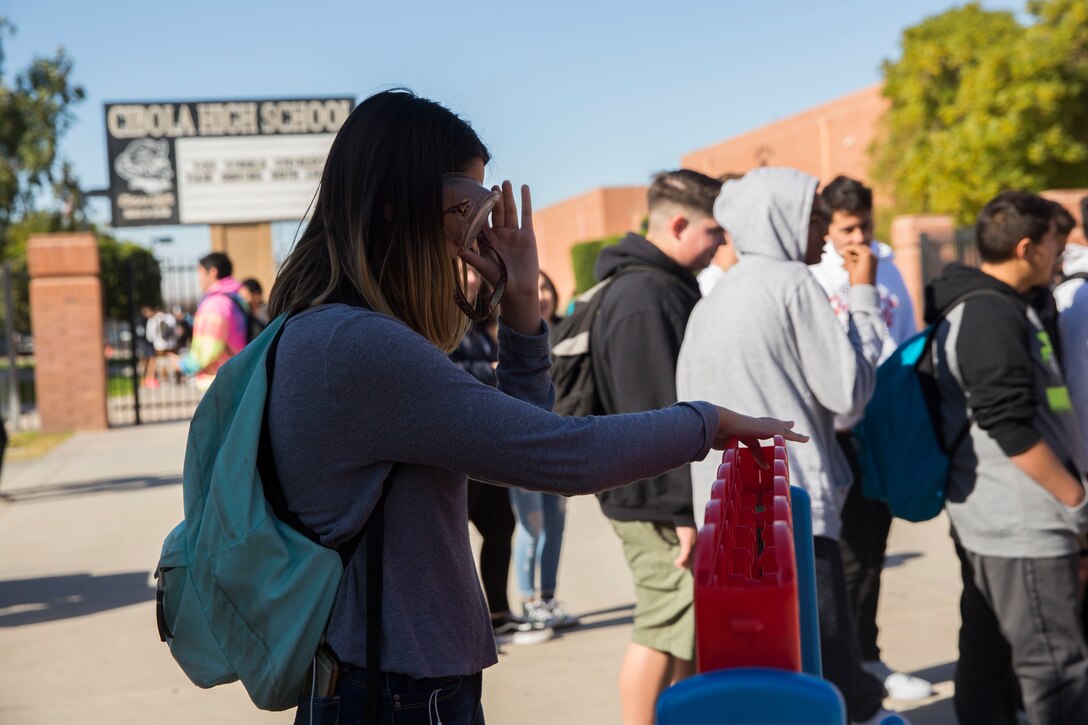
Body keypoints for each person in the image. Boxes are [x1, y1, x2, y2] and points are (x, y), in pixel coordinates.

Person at [264, 90, 804, 725]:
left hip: (384, 671)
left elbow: (523, 440)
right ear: (394, 203)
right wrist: (706, 422)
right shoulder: (359, 345)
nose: (478, 230)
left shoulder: (325, 330)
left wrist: (520, 305)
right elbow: (560, 458)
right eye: (465, 206)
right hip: (395, 683)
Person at [678, 167, 894, 725]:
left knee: (776, 668)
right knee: (829, 665)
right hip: (791, 511)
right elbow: (847, 394)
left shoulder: (716, 301)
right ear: (781, 219)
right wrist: (864, 300)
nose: (823, 231)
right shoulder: (792, 284)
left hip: (729, 519)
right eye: (814, 216)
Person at [927, 191, 1088, 725]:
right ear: (1026, 248)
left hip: (1006, 518)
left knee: (991, 652)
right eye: (1053, 244)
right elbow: (1009, 426)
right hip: (1022, 523)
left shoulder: (999, 305)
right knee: (1056, 672)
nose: (1060, 255)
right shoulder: (990, 314)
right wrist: (1077, 500)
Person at [589, 169, 725, 725]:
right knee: (665, 622)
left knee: (683, 624)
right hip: (652, 498)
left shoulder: (653, 283)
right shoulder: (647, 294)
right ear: (677, 223)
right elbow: (655, 414)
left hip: (650, 492)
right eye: (714, 231)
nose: (721, 244)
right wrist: (681, 511)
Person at [808, 176, 931, 702]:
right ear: (828, 228)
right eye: (845, 228)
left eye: (865, 225)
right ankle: (848, 663)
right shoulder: (814, 274)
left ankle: (868, 655)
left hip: (884, 424)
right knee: (845, 553)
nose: (857, 237)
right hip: (837, 430)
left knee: (873, 547)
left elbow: (902, 340)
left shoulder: (888, 267)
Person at [451, 267, 551, 646]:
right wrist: (489, 372)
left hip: (483, 447)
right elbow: (440, 370)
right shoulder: (438, 316)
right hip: (457, 449)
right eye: (466, 272)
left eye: (476, 273)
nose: (475, 280)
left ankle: (497, 614)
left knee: (500, 527)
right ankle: (466, 625)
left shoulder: (475, 322)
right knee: (453, 538)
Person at [509, 270, 578, 629]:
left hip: (562, 444)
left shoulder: (568, 332)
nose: (541, 295)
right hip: (524, 447)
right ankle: (527, 601)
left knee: (556, 524)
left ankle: (548, 598)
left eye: (546, 286)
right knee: (531, 525)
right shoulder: (511, 337)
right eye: (533, 287)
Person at [179, 253, 249, 391]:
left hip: (219, 383)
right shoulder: (236, 299)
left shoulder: (215, 304)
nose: (199, 279)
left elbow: (208, 350)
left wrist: (183, 364)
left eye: (200, 273)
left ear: (212, 272)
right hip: (239, 376)